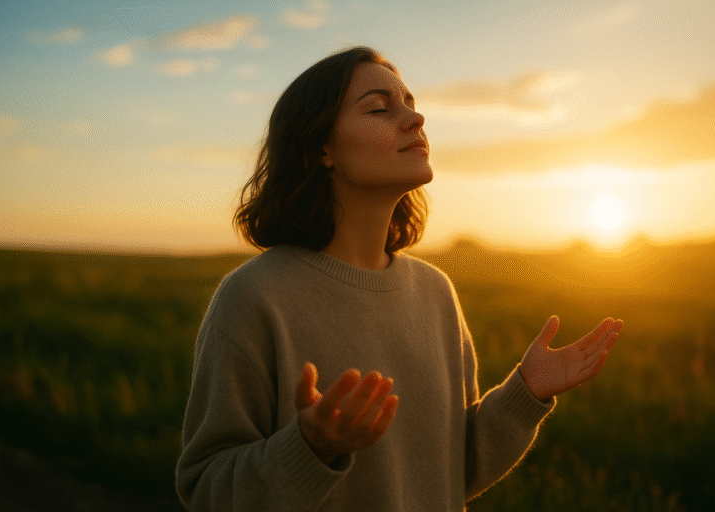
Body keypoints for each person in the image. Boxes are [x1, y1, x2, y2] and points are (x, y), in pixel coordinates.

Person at [175, 46, 623, 512]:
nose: (415, 119)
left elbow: (451, 472)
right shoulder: (253, 297)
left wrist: (524, 393)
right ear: (321, 148)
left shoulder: (435, 292)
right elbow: (206, 488)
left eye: (410, 104)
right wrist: (310, 448)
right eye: (379, 109)